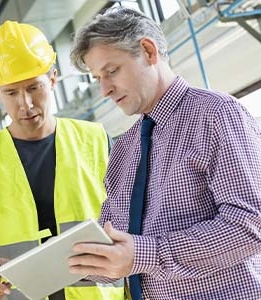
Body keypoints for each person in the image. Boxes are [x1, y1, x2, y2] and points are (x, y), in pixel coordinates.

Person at [67, 7, 261, 300]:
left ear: (147, 51)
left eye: (112, 71)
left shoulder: (216, 115)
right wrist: (61, 266)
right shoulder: (123, 150)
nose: (105, 89)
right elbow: (116, 245)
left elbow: (250, 224)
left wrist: (147, 254)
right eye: (97, 78)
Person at [0, 20, 123, 300]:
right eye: (11, 92)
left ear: (52, 79)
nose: (25, 104)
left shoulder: (96, 140)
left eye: (33, 88)